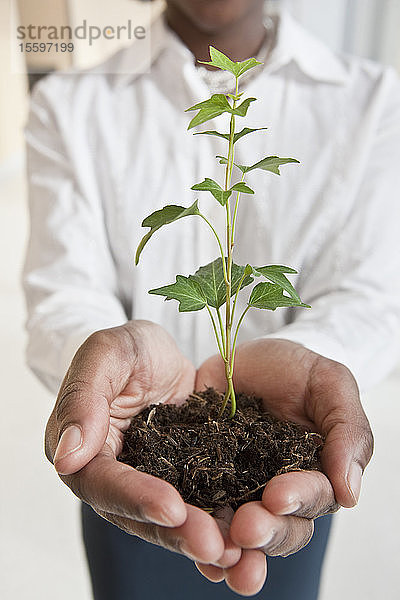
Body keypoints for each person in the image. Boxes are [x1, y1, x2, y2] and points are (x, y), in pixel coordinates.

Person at [23, 0, 400, 598]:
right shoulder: (69, 104)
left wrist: (308, 367)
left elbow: (370, 298)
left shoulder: (377, 100)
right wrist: (105, 368)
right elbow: (63, 290)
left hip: (287, 473)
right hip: (128, 458)